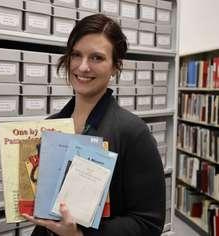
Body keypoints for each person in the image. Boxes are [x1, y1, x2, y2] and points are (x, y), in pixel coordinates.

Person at [22, 14, 166, 236]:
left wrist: (80, 235)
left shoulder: (133, 133)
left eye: (97, 58)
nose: (83, 66)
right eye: (76, 55)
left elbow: (148, 224)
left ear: (116, 66)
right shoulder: (50, 127)